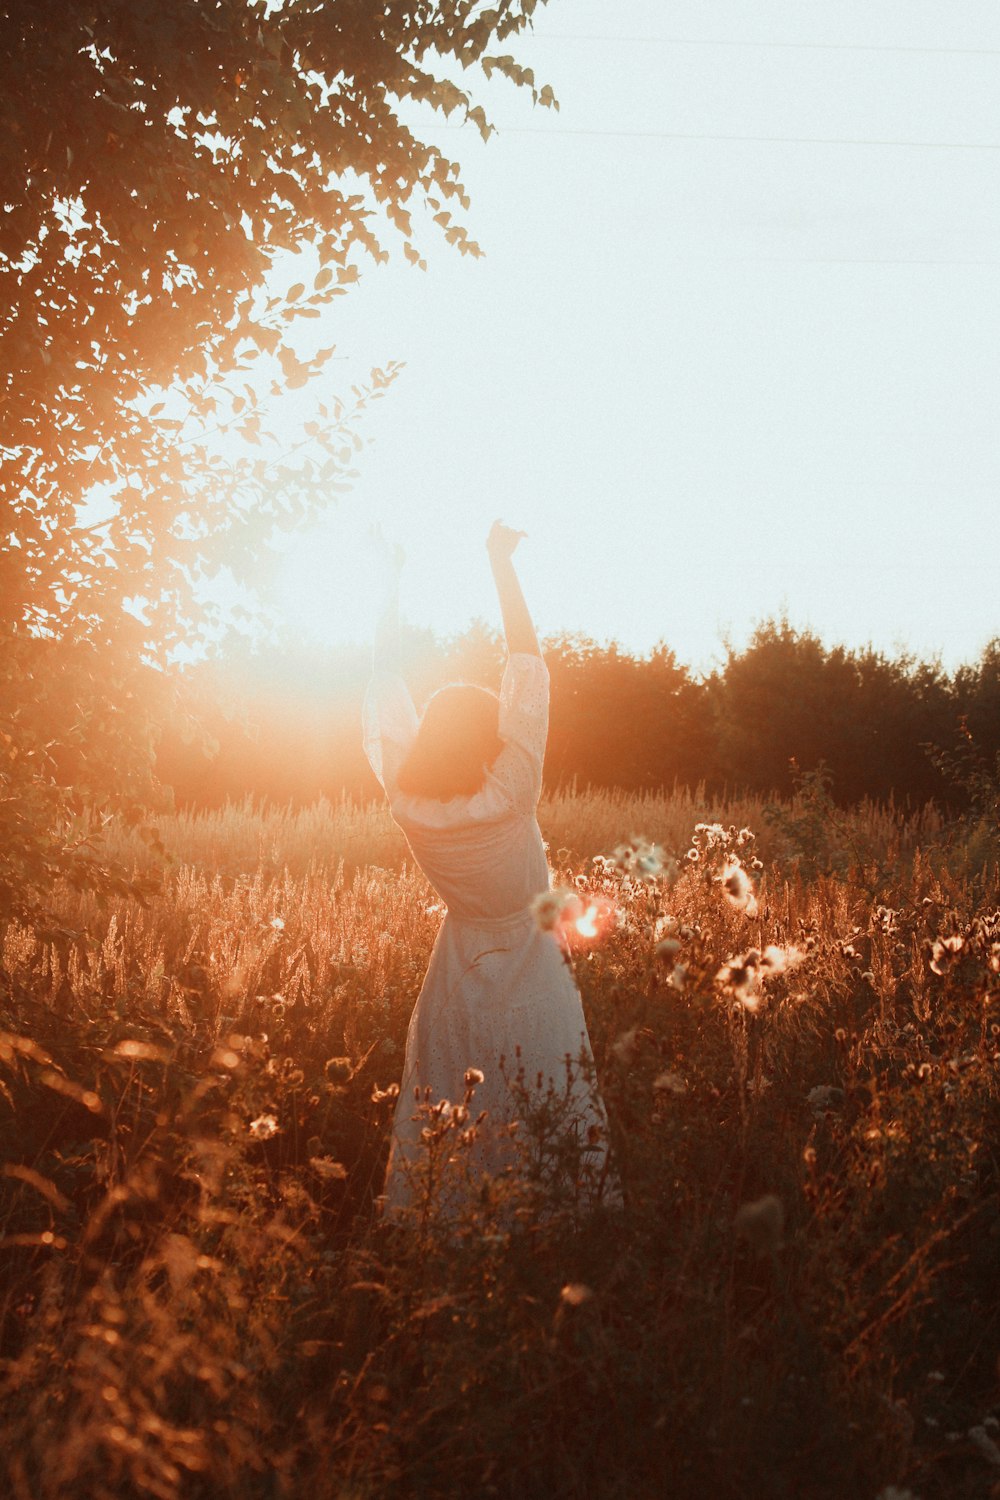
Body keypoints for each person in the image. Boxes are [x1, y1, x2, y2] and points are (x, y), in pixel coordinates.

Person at [363, 521, 615, 1216]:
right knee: (547, 1094)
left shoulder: (408, 802)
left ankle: (454, 1228)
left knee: (457, 1104)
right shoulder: (510, 794)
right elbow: (528, 668)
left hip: (459, 964)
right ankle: (557, 1228)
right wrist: (499, 564)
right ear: (487, 739)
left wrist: (390, 583)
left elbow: (383, 684)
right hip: (534, 961)